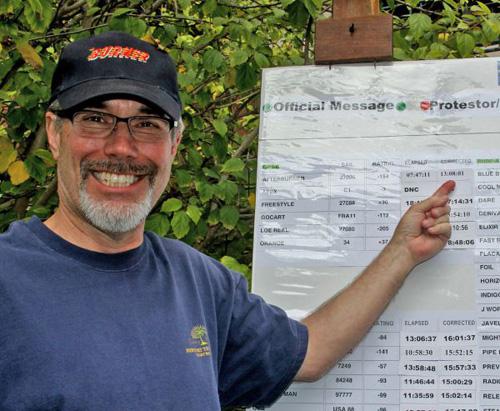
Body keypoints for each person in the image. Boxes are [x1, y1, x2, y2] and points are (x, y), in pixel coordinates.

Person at [0, 31, 455, 410]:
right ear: (56, 134)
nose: (121, 148)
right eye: (96, 119)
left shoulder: (199, 282)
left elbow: (309, 351)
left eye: (147, 124)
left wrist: (401, 254)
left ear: (174, 145)